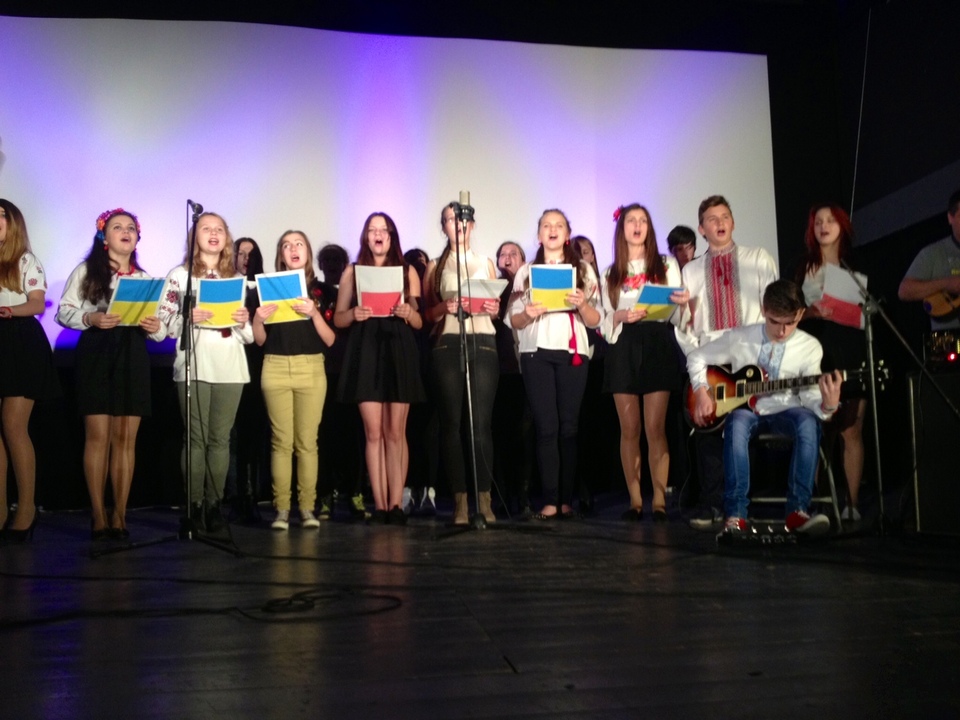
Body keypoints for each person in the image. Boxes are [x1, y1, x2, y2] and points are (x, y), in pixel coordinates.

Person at [686, 279, 842, 536]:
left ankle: (797, 512)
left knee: (808, 422)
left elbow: (811, 399)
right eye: (774, 322)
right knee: (736, 422)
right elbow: (696, 357)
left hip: (788, 409)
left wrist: (828, 405)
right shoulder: (741, 337)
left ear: (801, 314)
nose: (782, 331)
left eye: (790, 323)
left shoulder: (809, 347)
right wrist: (702, 391)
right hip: (748, 411)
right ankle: (735, 515)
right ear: (763, 310)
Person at [56, 208, 166, 540]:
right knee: (98, 437)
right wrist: (91, 318)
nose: (126, 232)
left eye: (131, 227)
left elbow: (162, 330)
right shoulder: (87, 272)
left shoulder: (145, 280)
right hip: (97, 352)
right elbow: (64, 311)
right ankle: (98, 514)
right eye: (117, 227)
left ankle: (120, 514)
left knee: (125, 439)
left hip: (133, 354)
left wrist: (155, 326)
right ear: (104, 236)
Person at [680, 195, 779, 529]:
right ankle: (711, 503)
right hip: (709, 355)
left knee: (741, 424)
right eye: (712, 219)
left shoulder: (757, 258)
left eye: (725, 216)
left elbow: (774, 308)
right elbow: (685, 325)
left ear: (733, 222)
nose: (720, 223)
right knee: (707, 427)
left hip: (749, 355)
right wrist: (696, 362)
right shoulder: (691, 270)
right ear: (702, 229)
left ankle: (740, 504)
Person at [157, 212, 253, 533]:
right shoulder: (180, 276)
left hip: (230, 366)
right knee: (195, 439)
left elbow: (248, 335)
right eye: (206, 228)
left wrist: (242, 320)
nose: (213, 234)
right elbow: (164, 324)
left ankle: (214, 504)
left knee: (220, 440)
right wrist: (188, 316)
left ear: (226, 237)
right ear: (194, 236)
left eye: (219, 229)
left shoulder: (234, 277)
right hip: (194, 363)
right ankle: (194, 505)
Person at [508, 209, 601, 519]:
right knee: (546, 428)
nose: (552, 229)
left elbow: (596, 319)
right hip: (536, 352)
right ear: (538, 235)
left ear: (567, 234)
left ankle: (565, 499)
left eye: (559, 225)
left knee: (569, 428)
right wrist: (528, 314)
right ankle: (550, 500)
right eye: (546, 225)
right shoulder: (526, 271)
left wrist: (582, 305)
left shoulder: (583, 270)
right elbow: (514, 320)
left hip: (572, 351)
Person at [334, 212, 425, 524]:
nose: (378, 234)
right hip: (366, 351)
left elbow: (419, 321)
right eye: (372, 229)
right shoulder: (353, 271)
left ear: (391, 236)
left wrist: (407, 312)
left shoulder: (407, 271)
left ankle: (396, 504)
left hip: (398, 349)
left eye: (383, 230)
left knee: (395, 433)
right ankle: (381, 505)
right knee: (373, 433)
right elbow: (339, 318)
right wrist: (354, 314)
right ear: (365, 236)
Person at [600, 204, 689, 521]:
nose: (637, 226)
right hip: (623, 346)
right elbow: (604, 318)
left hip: (656, 342)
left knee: (655, 428)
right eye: (631, 221)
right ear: (621, 228)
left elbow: (678, 313)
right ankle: (635, 501)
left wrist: (682, 303)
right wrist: (620, 315)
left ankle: (660, 500)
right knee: (630, 429)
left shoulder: (666, 264)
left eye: (643, 221)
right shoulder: (610, 272)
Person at [252, 231, 335, 531]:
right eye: (286, 246)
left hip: (311, 368)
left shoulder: (321, 291)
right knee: (281, 443)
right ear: (281, 255)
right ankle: (282, 510)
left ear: (308, 252)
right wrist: (258, 320)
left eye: (299, 244)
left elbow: (330, 339)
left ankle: (307, 508)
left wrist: (314, 313)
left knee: (307, 443)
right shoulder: (267, 288)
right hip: (275, 367)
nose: (293, 249)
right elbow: (260, 340)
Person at [423, 203, 500, 525]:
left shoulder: (486, 262)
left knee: (481, 425)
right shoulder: (435, 265)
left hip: (483, 341)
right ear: (443, 227)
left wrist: (493, 307)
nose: (457, 224)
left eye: (462, 219)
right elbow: (427, 314)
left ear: (472, 224)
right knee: (452, 424)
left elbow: (495, 309)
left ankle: (485, 500)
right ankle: (460, 503)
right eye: (450, 220)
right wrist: (445, 306)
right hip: (448, 342)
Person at [794, 204, 868, 521]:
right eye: (818, 222)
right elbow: (790, 314)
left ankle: (852, 503)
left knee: (851, 430)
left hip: (850, 351)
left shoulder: (855, 264)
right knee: (817, 431)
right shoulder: (803, 267)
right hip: (816, 352)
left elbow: (869, 310)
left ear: (842, 225)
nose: (824, 226)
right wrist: (810, 312)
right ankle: (821, 502)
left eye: (830, 221)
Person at [0, 199, 58, 542]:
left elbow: (37, 303)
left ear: (13, 223)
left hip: (19, 340)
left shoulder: (25, 260)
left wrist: (9, 311)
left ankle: (26, 509)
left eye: (0, 217)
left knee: (13, 426)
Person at [316, 243, 369, 521]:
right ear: (320, 264)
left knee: (354, 436)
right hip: (323, 371)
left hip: (353, 370)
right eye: (327, 260)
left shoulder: (357, 292)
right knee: (324, 436)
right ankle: (325, 494)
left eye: (337, 260)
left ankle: (355, 493)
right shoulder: (315, 292)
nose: (332, 265)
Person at [492, 241, 535, 517]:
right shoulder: (494, 288)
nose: (507, 259)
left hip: (525, 368)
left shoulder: (531, 287)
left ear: (523, 260)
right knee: (501, 434)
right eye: (502, 255)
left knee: (525, 435)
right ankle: (502, 496)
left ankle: (524, 495)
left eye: (513, 254)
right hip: (498, 369)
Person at [230, 237, 269, 523]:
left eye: (250, 254)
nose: (245, 259)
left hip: (259, 365)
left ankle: (252, 495)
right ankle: (234, 496)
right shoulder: (227, 285)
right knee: (231, 437)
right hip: (231, 361)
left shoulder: (265, 287)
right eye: (240, 253)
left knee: (253, 434)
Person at [898, 188, 960, 330]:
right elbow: (904, 291)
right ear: (950, 218)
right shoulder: (934, 253)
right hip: (949, 338)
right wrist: (947, 283)